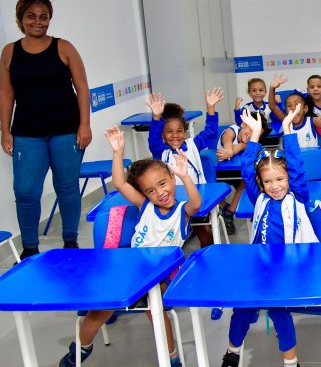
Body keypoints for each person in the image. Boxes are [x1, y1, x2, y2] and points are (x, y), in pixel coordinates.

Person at [57, 126, 200, 367]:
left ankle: (172, 357)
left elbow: (196, 204)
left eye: (163, 184)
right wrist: (118, 151)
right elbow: (120, 183)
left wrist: (185, 176)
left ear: (172, 178)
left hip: (159, 274)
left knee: (156, 311)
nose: (160, 193)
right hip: (130, 269)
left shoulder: (181, 212)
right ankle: (82, 348)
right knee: (99, 309)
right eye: (151, 190)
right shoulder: (146, 207)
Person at [220, 107, 318, 367]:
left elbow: (297, 167)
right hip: (259, 267)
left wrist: (288, 131)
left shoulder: (298, 197)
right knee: (242, 309)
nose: (275, 186)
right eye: (268, 181)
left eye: (280, 179)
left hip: (288, 267)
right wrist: (254, 136)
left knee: (280, 313)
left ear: (288, 179)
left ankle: (291, 362)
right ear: (261, 184)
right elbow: (247, 171)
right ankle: (232, 352)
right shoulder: (260, 199)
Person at [0, 0, 91, 259]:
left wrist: (85, 125)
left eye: (44, 17)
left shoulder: (64, 48)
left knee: (67, 187)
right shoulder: (9, 52)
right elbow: (6, 94)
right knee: (25, 191)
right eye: (31, 16)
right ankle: (30, 248)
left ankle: (70, 242)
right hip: (27, 133)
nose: (38, 22)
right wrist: (5, 130)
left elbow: (82, 88)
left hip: (66, 131)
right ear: (21, 19)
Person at [147, 89, 222, 247]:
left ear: (185, 132)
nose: (175, 135)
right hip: (171, 201)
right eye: (169, 132)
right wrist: (156, 117)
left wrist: (210, 108)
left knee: (205, 235)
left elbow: (210, 133)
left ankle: (209, 255)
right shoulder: (160, 151)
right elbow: (153, 139)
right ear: (162, 134)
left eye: (179, 131)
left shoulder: (193, 144)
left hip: (195, 198)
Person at [215, 112, 270, 235]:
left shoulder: (251, 142)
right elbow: (228, 146)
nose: (251, 135)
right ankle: (224, 207)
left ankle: (229, 212)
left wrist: (241, 146)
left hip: (238, 172)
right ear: (243, 124)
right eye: (250, 129)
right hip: (219, 173)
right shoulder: (232, 130)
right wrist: (236, 148)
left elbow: (233, 152)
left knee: (248, 180)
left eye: (255, 133)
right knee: (209, 185)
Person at [268, 74, 321, 148]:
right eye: (289, 106)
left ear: (305, 108)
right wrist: (272, 88)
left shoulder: (312, 120)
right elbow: (273, 106)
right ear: (286, 110)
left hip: (311, 158)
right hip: (295, 159)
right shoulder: (286, 121)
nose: (293, 108)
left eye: (297, 104)